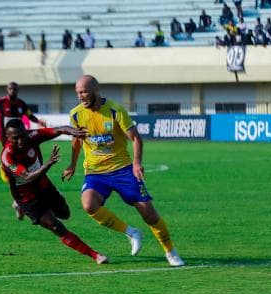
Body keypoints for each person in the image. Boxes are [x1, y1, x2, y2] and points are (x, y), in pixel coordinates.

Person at [61, 75, 185, 267]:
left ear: (96, 90)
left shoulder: (114, 110)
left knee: (149, 215)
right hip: (95, 172)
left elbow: (135, 138)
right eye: (78, 92)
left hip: (123, 170)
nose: (80, 96)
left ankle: (170, 252)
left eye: (84, 91)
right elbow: (76, 142)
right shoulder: (76, 114)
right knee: (89, 205)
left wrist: (136, 163)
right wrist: (72, 165)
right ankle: (131, 232)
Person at [1, 119, 108, 264]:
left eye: (23, 135)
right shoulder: (7, 156)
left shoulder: (32, 136)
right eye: (15, 138)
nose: (21, 140)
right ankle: (95, 255)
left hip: (44, 187)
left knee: (65, 213)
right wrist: (48, 164)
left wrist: (73, 131)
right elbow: (28, 176)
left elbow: (58, 129)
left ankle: (28, 209)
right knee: (55, 225)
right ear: (7, 138)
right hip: (27, 198)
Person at [0, 82, 47, 219]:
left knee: (22, 171)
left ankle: (19, 202)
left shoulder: (21, 104)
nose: (12, 90)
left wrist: (38, 121)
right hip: (7, 143)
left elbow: (29, 115)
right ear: (7, 89)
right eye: (10, 88)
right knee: (19, 172)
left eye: (15, 89)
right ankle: (20, 201)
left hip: (21, 142)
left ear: (17, 90)